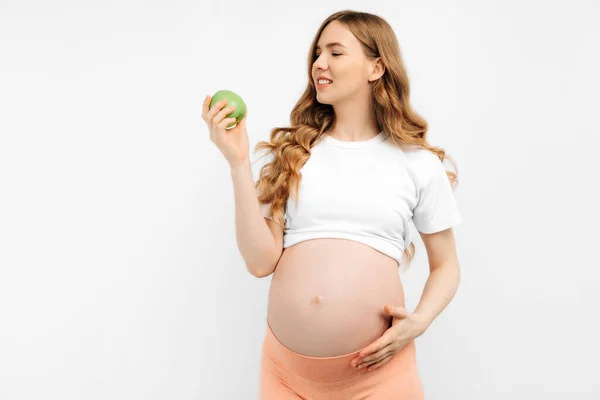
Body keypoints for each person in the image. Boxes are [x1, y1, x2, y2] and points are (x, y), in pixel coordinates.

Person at [202, 9, 463, 400]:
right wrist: (237, 161)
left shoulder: (417, 163)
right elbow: (260, 262)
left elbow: (446, 265)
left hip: (379, 377)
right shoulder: (295, 153)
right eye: (317, 53)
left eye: (336, 53)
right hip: (287, 376)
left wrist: (420, 321)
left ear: (376, 67)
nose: (319, 64)